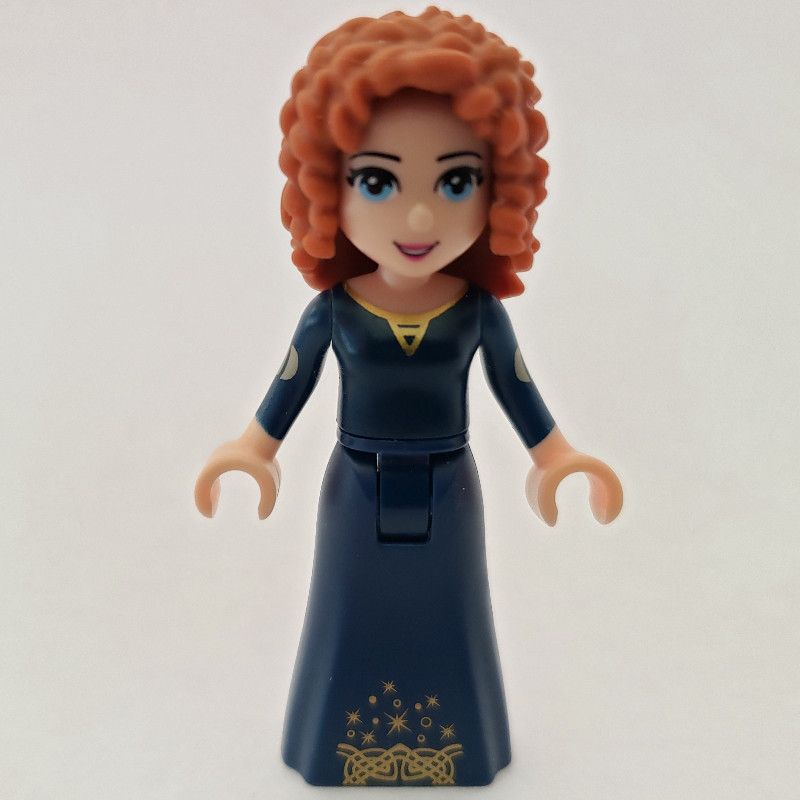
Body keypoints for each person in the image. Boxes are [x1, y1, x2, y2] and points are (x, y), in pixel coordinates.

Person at [194, 7, 622, 786]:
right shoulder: (333, 312)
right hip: (355, 489)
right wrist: (253, 450)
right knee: (346, 614)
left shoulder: (476, 312)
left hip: (449, 486)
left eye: (456, 181)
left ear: (501, 191)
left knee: (453, 616)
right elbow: (289, 385)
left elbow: (518, 388)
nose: (419, 217)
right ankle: (337, 746)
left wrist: (558, 459)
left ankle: (458, 746)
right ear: (328, 185)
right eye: (378, 181)